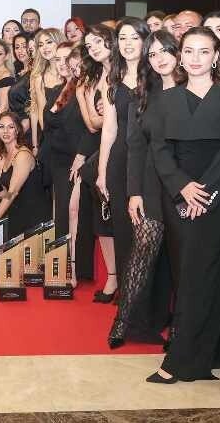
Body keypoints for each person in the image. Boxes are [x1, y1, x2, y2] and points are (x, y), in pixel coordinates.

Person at [145, 26, 220, 384]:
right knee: (192, 273)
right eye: (188, 51)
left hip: (219, 196)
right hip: (178, 197)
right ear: (180, 55)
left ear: (217, 55)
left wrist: (206, 193)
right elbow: (160, 150)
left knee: (204, 273)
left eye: (204, 51)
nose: (195, 58)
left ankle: (181, 360)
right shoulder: (167, 99)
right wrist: (182, 188)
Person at [109, 29, 181, 348]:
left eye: (165, 51)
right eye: (153, 54)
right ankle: (122, 322)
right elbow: (135, 147)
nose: (160, 58)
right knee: (142, 252)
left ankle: (178, 330)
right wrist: (134, 192)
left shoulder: (193, 90)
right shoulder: (144, 94)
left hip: (184, 186)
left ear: (177, 52)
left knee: (180, 262)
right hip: (150, 183)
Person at [96, 19, 148, 300]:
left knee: (146, 228)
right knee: (122, 227)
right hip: (118, 159)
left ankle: (146, 297)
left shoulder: (156, 75)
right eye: (123, 38)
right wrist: (102, 171)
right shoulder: (112, 79)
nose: (128, 43)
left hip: (148, 161)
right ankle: (128, 297)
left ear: (145, 40)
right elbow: (109, 129)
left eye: (134, 37)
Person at [76, 24, 115, 289]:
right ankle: (113, 276)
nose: (94, 49)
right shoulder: (98, 75)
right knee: (102, 218)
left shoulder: (126, 72)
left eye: (98, 42)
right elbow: (94, 122)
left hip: (126, 149)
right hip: (105, 148)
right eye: (89, 46)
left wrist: (109, 113)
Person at [39, 43, 82, 241]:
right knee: (59, 216)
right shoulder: (58, 89)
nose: (62, 63)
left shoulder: (83, 88)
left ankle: (71, 257)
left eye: (66, 58)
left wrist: (81, 156)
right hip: (56, 160)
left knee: (70, 216)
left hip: (75, 161)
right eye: (57, 59)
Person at [0, 112, 51, 237]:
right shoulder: (2, 156)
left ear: (17, 130)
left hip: (34, 217)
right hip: (16, 214)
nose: (6, 131)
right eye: (1, 127)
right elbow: (7, 192)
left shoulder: (22, 155)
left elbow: (13, 191)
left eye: (11, 127)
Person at [28, 28, 67, 149]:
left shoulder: (72, 73)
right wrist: (49, 137)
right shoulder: (39, 78)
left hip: (73, 132)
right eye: (41, 45)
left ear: (59, 42)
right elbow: (41, 112)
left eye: (49, 42)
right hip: (51, 136)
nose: (45, 47)